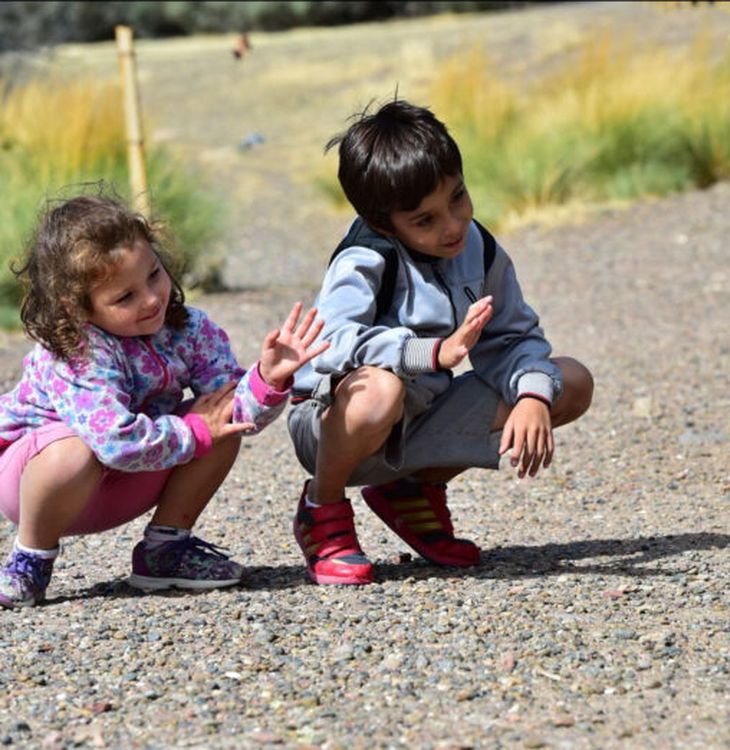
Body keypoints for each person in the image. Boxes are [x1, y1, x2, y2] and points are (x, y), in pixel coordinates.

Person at [287, 99, 594, 586]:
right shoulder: (366, 257)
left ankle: (410, 492)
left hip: (421, 417)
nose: (452, 224)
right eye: (425, 220)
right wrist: (428, 353)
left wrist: (533, 394)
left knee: (569, 380)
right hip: (335, 425)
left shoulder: (478, 246)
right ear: (386, 223)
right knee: (380, 392)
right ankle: (320, 507)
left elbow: (513, 337)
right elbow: (326, 346)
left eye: (457, 197)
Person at [0, 194, 328, 607]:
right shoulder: (75, 352)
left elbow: (236, 410)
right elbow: (115, 442)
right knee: (75, 448)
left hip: (123, 476)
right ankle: (30, 559)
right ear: (76, 308)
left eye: (154, 275)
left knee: (220, 414)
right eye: (125, 297)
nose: (152, 299)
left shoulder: (186, 328)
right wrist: (193, 430)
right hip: (38, 482)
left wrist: (267, 379)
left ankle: (165, 550)